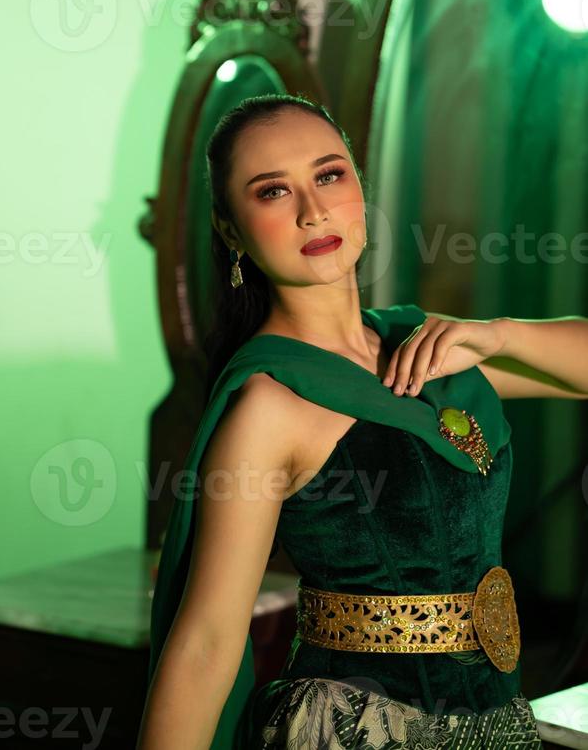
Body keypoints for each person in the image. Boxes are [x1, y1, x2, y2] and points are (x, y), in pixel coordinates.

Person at [136, 94, 546, 749]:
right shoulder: (268, 404)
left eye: (329, 175)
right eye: (273, 192)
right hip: (355, 732)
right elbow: (208, 643)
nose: (312, 209)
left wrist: (498, 335)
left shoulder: (430, 349)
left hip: (495, 724)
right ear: (231, 231)